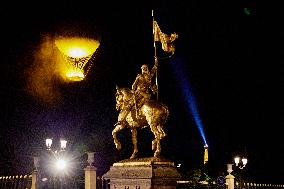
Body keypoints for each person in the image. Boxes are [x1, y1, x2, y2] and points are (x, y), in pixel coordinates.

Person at [114, 58, 158, 126]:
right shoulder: (140, 76)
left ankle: (125, 119)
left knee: (130, 105)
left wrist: (156, 62)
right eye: (143, 68)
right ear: (142, 69)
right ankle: (126, 118)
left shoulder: (149, 76)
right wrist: (133, 90)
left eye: (145, 68)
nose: (144, 69)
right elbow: (134, 85)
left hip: (143, 93)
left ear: (147, 68)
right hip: (141, 93)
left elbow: (154, 69)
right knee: (133, 103)